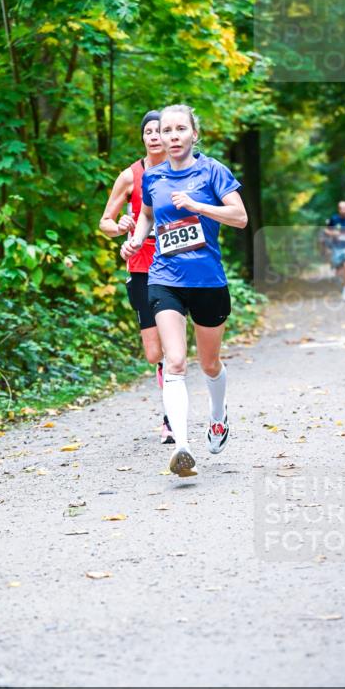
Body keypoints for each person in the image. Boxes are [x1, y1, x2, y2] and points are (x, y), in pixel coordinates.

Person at [121, 104, 248, 477]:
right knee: (174, 362)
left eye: (180, 130)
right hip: (164, 278)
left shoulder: (213, 172)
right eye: (166, 130)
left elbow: (240, 218)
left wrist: (197, 205)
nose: (172, 136)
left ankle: (218, 416)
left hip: (208, 281)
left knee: (209, 363)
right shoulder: (154, 178)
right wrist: (137, 239)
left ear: (194, 134)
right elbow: (146, 213)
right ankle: (181, 447)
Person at [99, 111, 174, 444]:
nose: (154, 136)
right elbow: (105, 222)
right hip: (141, 267)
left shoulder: (182, 170)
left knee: (174, 348)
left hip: (176, 266)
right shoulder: (130, 176)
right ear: (142, 138)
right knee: (153, 353)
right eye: (148, 132)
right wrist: (121, 228)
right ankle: (167, 376)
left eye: (159, 131)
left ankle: (171, 418)